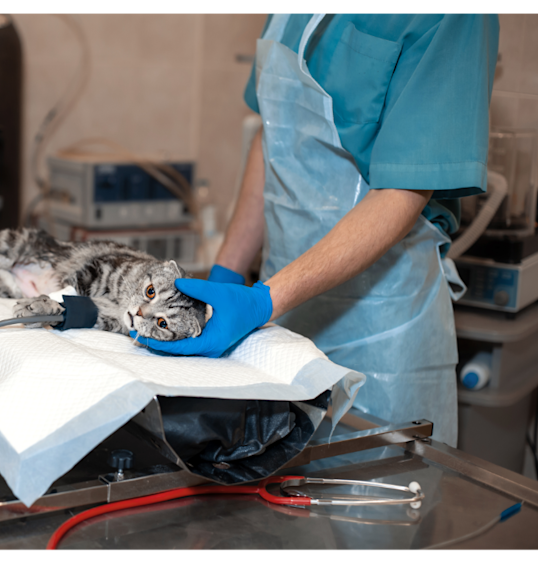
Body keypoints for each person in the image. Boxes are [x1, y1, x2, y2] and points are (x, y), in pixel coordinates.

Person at [132, 14, 499, 447]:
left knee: (375, 495)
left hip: (379, 328)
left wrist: (261, 300)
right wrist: (228, 274)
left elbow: (402, 192)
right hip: (279, 314)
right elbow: (273, 136)